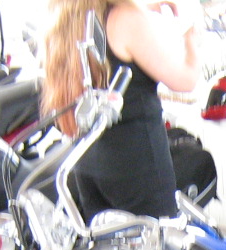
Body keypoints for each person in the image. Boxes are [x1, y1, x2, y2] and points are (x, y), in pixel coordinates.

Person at [42, 0, 199, 220]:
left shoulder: (65, 24)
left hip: (88, 163)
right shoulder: (126, 19)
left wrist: (144, 7)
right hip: (135, 165)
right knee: (156, 239)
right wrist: (190, 35)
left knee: (104, 239)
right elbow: (186, 80)